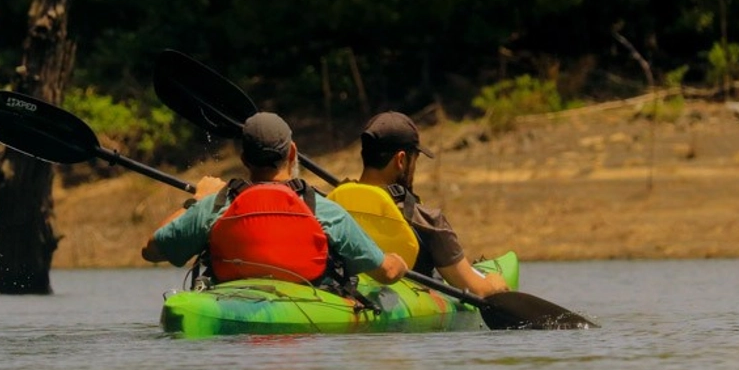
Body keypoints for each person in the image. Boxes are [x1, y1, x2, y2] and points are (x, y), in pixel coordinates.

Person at [142, 112, 409, 287]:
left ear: (244, 159)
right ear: (293, 153)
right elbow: (385, 272)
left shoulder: (216, 205)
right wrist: (399, 263)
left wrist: (197, 201)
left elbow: (152, 251)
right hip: (306, 307)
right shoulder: (323, 210)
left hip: (229, 301)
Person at [351, 111, 509, 298]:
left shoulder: (332, 208)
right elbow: (479, 291)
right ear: (401, 160)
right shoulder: (426, 220)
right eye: (415, 160)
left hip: (348, 292)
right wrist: (495, 284)